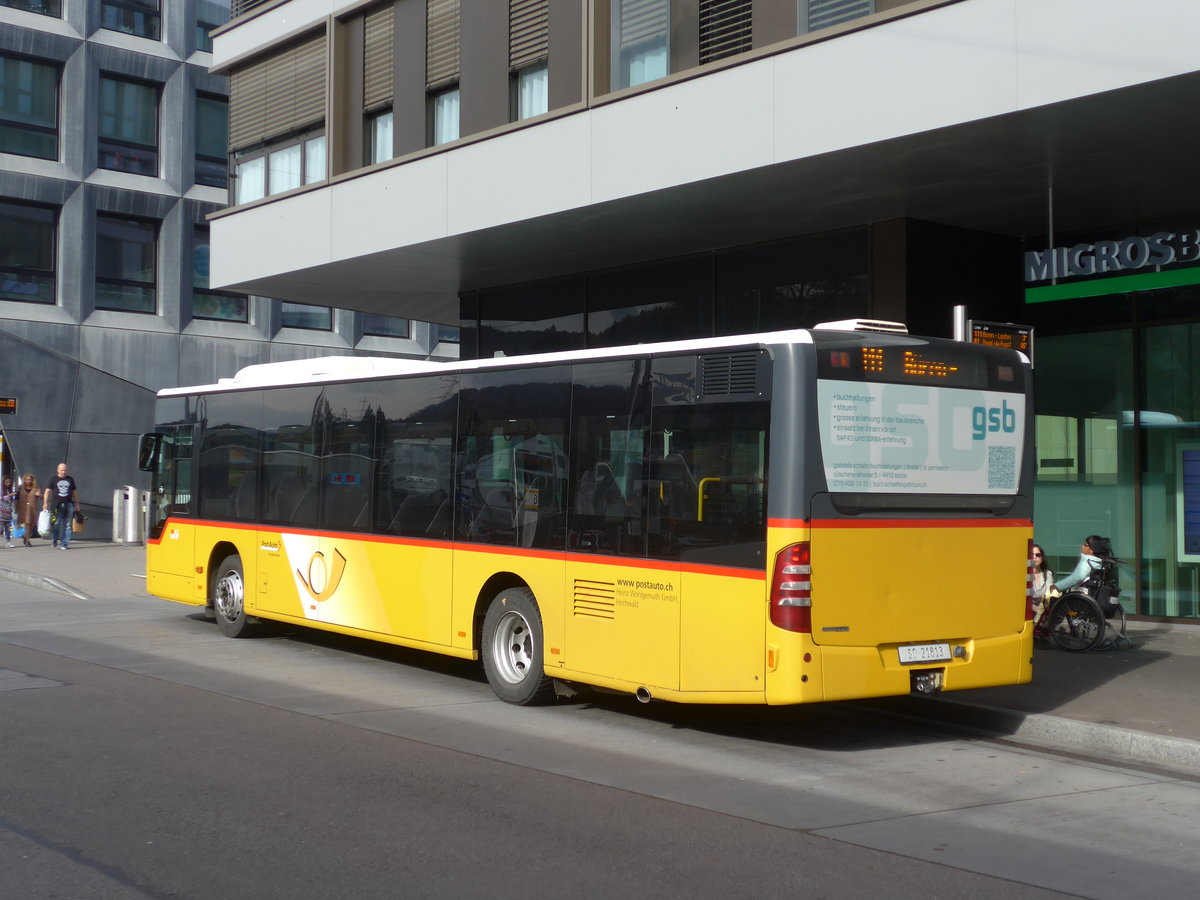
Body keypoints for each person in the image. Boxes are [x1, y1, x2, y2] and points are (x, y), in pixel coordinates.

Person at [43, 462, 80, 550]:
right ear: (58, 470)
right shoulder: (53, 479)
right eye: (62, 470)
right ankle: (55, 539)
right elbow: (47, 491)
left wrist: (77, 503)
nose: (64, 472)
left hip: (69, 504)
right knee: (56, 523)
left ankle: (64, 543)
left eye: (65, 470)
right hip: (56, 505)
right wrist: (45, 503)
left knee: (67, 524)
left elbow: (74, 492)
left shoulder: (70, 479)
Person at [1030, 543, 1055, 623]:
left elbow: (1048, 594)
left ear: (1042, 557)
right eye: (1031, 555)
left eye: (1037, 555)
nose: (1034, 557)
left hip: (1040, 615)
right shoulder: (1022, 575)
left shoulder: (1047, 574)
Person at [15, 473, 40, 547]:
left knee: (31, 524)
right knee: (27, 523)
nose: (28, 481)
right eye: (27, 479)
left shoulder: (35, 488)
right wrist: (15, 506)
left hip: (31, 508)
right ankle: (27, 540)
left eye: (30, 480)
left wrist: (39, 495)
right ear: (24, 480)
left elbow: (41, 496)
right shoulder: (20, 487)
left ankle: (25, 537)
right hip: (22, 508)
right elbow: (16, 497)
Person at [0, 475, 14, 548]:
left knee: (8, 528)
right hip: (1, 512)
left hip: (8, 512)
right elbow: (2, 498)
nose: (8, 483)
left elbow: (10, 501)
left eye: (9, 482)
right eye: (7, 482)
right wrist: (9, 496)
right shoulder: (1, 490)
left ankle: (8, 542)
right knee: (0, 528)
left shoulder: (8, 490)